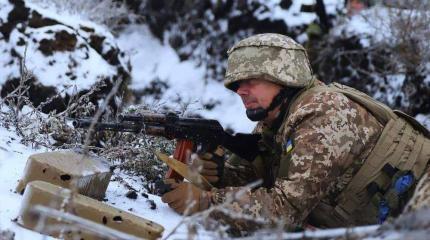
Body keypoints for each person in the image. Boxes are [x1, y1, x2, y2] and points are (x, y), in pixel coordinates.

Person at [161, 33, 430, 234]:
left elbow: (284, 209)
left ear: (284, 78)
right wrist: (221, 176)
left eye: (251, 81)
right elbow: (265, 177)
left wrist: (206, 202)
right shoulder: (277, 120)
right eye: (237, 84)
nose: (241, 91)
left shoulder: (324, 114)